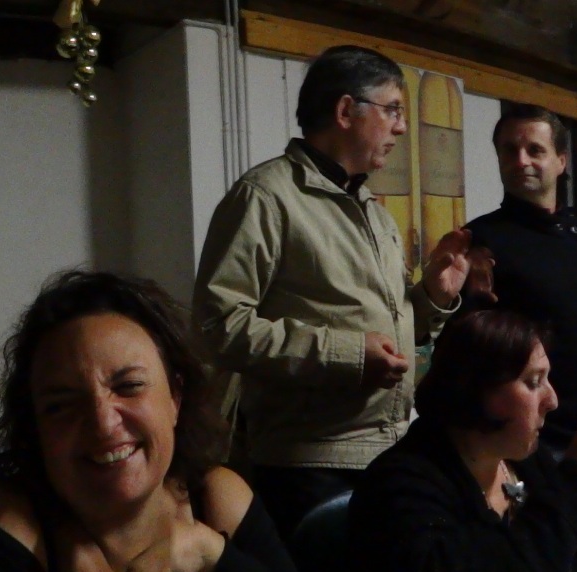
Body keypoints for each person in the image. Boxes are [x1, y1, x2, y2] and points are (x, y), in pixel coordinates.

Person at [192, 45, 473, 539]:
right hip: (307, 466)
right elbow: (218, 327)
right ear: (346, 110)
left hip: (386, 450)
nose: (401, 128)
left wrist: (432, 297)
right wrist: (350, 354)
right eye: (392, 110)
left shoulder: (374, 211)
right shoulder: (265, 197)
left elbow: (385, 327)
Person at [0, 270, 297, 572]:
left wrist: (208, 553)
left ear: (175, 397)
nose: (103, 424)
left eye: (129, 386)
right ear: (35, 426)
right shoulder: (4, 522)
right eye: (62, 405)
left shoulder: (217, 499)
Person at [348, 304, 577, 572]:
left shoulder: (525, 460)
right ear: (477, 391)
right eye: (534, 382)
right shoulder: (400, 487)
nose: (552, 400)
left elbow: (575, 554)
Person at [462, 103, 577, 454]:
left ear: (561, 161)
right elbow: (473, 341)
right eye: (510, 151)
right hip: (528, 427)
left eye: (535, 150)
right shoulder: (480, 239)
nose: (521, 161)